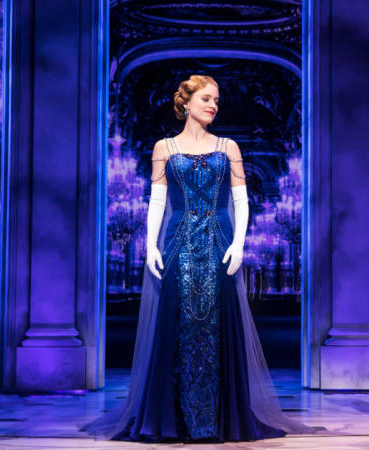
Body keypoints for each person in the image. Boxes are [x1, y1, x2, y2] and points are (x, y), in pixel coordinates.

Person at [83, 75, 310, 442]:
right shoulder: (164, 147)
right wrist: (151, 245)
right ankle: (173, 419)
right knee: (175, 324)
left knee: (219, 324)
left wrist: (239, 243)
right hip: (177, 245)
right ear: (185, 102)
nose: (213, 105)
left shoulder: (229, 146)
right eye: (206, 98)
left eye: (217, 100)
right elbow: (157, 200)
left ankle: (218, 419)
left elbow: (241, 201)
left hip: (219, 245)